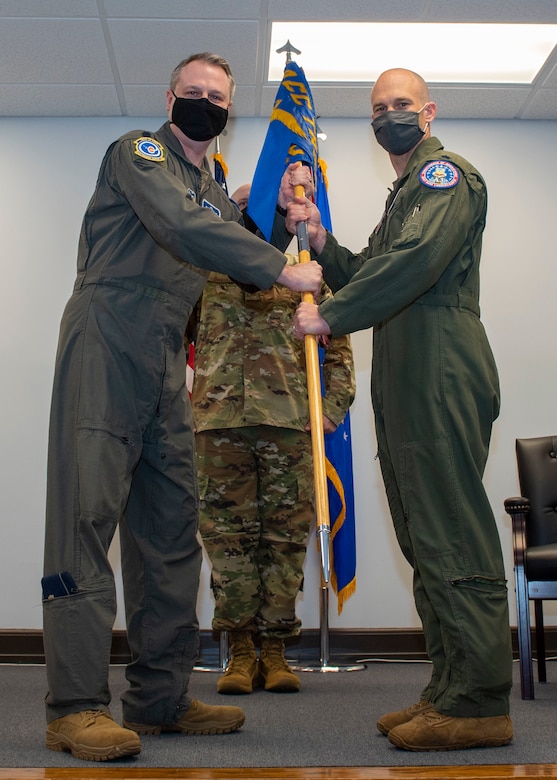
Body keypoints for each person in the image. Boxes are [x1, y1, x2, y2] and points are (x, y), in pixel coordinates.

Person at [41, 52, 321, 763]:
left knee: (169, 535)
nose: (204, 103)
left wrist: (289, 215)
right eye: (192, 92)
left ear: (228, 111)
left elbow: (234, 236)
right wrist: (281, 269)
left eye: (217, 96)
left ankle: (159, 697)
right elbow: (180, 224)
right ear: (169, 98)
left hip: (167, 360)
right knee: (83, 524)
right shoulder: (139, 155)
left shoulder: (208, 188)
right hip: (106, 343)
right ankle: (74, 708)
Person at [286, 68, 513, 752]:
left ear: (429, 112)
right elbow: (380, 270)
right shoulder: (405, 193)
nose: (390, 116)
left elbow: (413, 265)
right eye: (379, 108)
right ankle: (449, 688)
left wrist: (328, 314)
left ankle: (477, 702)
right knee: (422, 534)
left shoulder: (445, 177)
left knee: (450, 530)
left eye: (402, 105)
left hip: (438, 363)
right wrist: (326, 248)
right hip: (409, 367)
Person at [189, 184, 355, 695]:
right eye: (243, 208)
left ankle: (277, 650)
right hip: (219, 426)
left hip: (289, 426)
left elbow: (340, 344)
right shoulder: (204, 275)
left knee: (283, 540)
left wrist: (327, 413)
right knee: (228, 542)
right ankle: (240, 652)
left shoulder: (305, 277)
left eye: (261, 208)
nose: (252, 217)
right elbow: (169, 337)